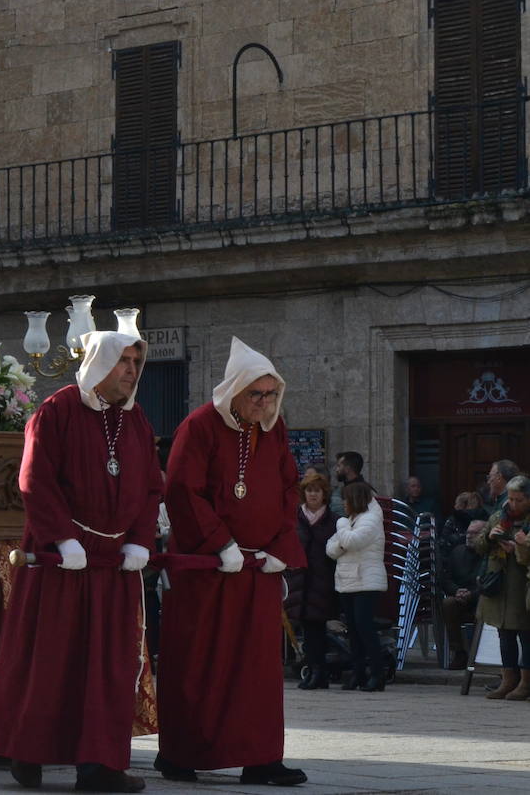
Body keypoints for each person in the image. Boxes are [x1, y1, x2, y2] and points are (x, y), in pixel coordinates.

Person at [0, 331, 161, 793]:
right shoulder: (55, 411)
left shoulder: (136, 421)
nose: (131, 371)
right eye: (124, 361)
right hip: (65, 564)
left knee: (109, 667)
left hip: (114, 566)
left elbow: (150, 487)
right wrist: (62, 539)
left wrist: (139, 541)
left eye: (137, 362)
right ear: (100, 363)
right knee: (52, 661)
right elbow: (35, 479)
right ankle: (27, 751)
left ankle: (99, 765)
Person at [156, 337, 307, 787]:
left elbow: (288, 488)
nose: (264, 403)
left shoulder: (272, 429)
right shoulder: (200, 426)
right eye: (256, 394)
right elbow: (183, 489)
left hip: (257, 571)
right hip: (210, 571)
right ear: (236, 390)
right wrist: (220, 544)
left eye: (270, 394)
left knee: (257, 669)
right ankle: (181, 753)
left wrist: (281, 545)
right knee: (200, 662)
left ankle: (260, 756)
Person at [326, 480, 387, 691]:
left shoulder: (371, 519)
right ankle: (358, 672)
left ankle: (377, 674)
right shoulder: (352, 519)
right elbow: (331, 549)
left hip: (366, 581)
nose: (343, 503)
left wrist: (342, 527)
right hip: (347, 580)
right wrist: (344, 537)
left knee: (365, 629)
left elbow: (351, 541)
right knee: (352, 630)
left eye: (346, 499)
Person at [473, 475, 530, 699]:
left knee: (526, 635)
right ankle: (508, 680)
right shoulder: (499, 516)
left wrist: (515, 549)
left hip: (521, 586)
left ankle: (526, 683)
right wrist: (489, 536)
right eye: (511, 499)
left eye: (518, 500)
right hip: (498, 585)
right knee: (504, 635)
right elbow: (477, 546)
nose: (513, 504)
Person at [287, 472, 338, 689]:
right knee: (307, 628)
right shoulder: (295, 517)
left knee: (318, 628)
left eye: (317, 491)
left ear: (324, 494)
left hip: (322, 579)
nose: (313, 495)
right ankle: (312, 670)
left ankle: (320, 672)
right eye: (309, 490)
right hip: (300, 580)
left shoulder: (334, 520)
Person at [439, 518, 485, 671]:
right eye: (468, 532)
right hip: (460, 598)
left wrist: (472, 594)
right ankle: (459, 652)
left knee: (484, 606)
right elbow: (446, 579)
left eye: (474, 533)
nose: (469, 536)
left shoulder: (490, 554)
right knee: (448, 604)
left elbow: (491, 582)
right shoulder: (457, 552)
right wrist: (456, 590)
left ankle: (479, 654)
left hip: (482, 598)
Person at [330, 451, 374, 517]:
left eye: (339, 466)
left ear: (347, 469)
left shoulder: (365, 491)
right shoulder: (343, 489)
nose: (336, 470)